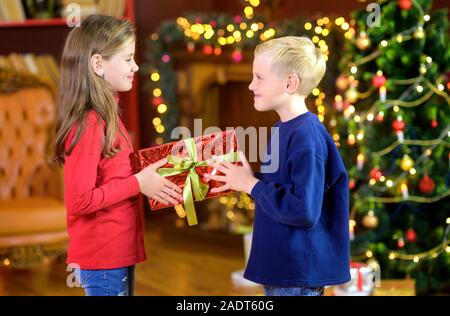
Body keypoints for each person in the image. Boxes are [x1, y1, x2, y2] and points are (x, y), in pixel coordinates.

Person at [205, 36, 350, 296]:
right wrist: (248, 177)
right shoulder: (282, 128)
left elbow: (304, 210)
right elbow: (283, 185)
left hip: (296, 274)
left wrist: (251, 184)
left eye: (259, 77)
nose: (251, 85)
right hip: (281, 268)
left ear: (290, 83)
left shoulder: (307, 136)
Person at [52, 15, 183, 296]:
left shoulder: (108, 113)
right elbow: (79, 200)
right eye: (127, 59)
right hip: (104, 258)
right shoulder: (89, 123)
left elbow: (116, 173)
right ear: (98, 64)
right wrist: (138, 183)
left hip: (117, 253)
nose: (136, 66)